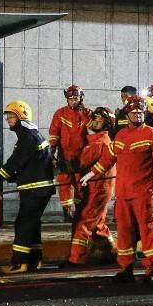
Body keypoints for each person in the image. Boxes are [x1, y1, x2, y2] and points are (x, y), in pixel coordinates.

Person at [88, 95, 153, 282]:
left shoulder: (152, 134)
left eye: (140, 112)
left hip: (144, 195)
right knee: (124, 232)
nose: (137, 115)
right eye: (133, 112)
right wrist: (90, 174)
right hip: (123, 195)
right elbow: (108, 159)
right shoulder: (120, 135)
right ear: (127, 115)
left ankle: (151, 267)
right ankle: (126, 268)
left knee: (147, 232)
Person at [0, 100, 56, 274]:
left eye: (12, 116)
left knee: (24, 224)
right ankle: (35, 261)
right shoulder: (29, 134)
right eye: (8, 116)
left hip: (35, 190)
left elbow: (16, 162)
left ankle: (19, 263)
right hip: (37, 189)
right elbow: (26, 164)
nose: (8, 120)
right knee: (32, 224)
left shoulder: (28, 137)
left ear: (22, 117)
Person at [64, 107, 116, 267]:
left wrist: (60, 162)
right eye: (94, 116)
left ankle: (76, 260)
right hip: (100, 189)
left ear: (106, 125)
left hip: (97, 190)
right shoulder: (98, 141)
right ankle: (111, 253)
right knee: (98, 225)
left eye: (99, 119)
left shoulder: (98, 143)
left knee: (83, 222)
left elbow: (78, 164)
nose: (94, 119)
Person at [48, 84, 91, 221]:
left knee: (81, 185)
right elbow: (54, 133)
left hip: (82, 157)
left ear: (81, 98)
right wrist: (52, 151)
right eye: (70, 99)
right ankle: (67, 213)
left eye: (76, 98)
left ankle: (80, 212)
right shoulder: (60, 114)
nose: (73, 101)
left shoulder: (88, 113)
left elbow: (93, 131)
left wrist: (83, 114)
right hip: (64, 156)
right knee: (64, 184)